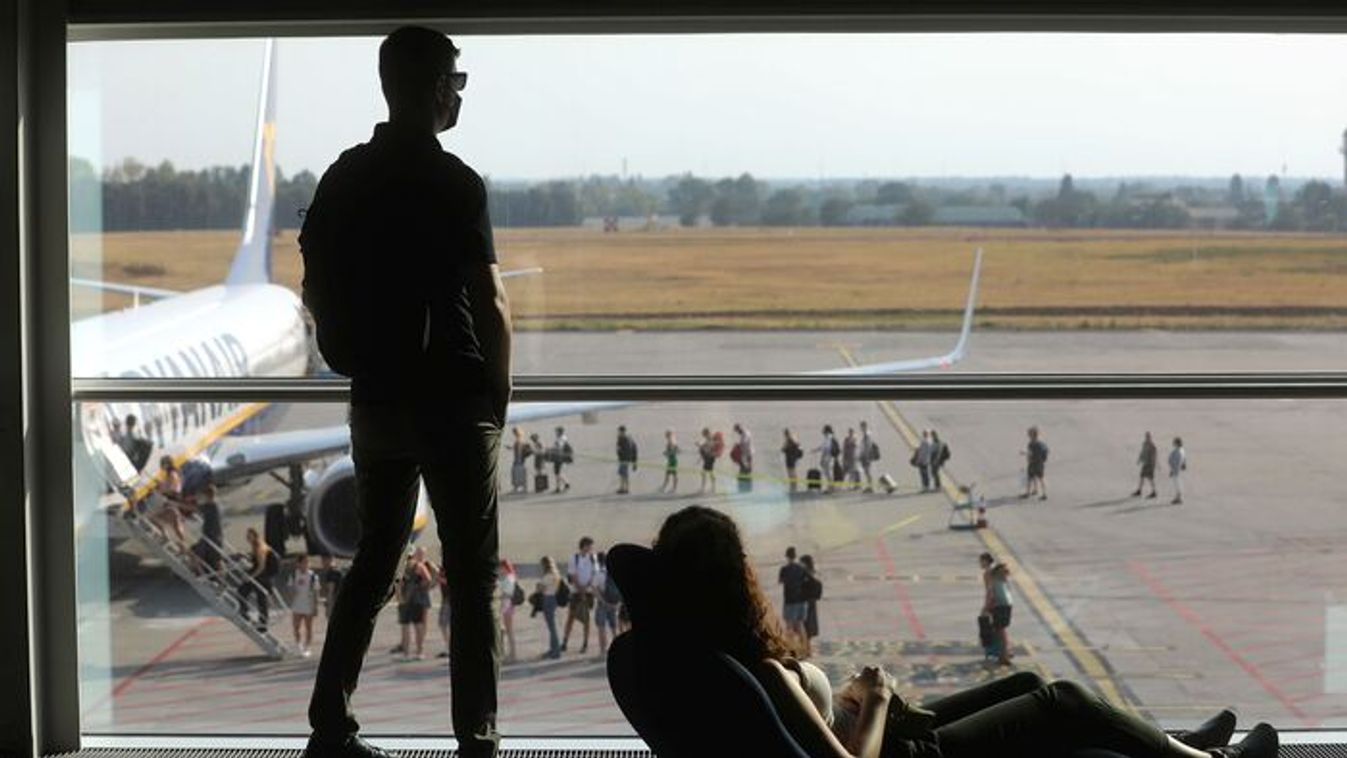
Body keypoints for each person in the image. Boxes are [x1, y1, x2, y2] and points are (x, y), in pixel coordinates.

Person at [644, 505, 1278, 758]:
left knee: (1025, 682)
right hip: (904, 756)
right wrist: (878, 698)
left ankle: (1173, 746)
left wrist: (849, 704)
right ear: (736, 580)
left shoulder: (697, 653)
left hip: (879, 733)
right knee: (1062, 699)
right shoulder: (763, 671)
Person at [300, 26, 511, 758]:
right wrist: (496, 398)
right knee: (472, 579)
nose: (458, 94)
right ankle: (476, 740)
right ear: (435, 88)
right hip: (451, 400)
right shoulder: (456, 184)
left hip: (375, 402)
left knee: (373, 563)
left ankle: (330, 727)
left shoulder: (343, 176)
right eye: (456, 80)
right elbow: (490, 303)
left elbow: (314, 286)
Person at [237, 527, 279, 633]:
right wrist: (246, 556)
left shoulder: (260, 547)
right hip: (261, 575)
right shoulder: (254, 546)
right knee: (243, 591)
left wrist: (250, 577)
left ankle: (262, 624)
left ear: (255, 536)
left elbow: (261, 566)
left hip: (263, 576)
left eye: (249, 536)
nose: (247, 538)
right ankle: (245, 613)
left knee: (260, 599)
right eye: (247, 536)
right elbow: (255, 561)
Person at [396, 547, 434, 661]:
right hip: (417, 599)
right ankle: (419, 652)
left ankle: (406, 654)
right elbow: (428, 579)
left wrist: (400, 597)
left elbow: (398, 584)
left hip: (404, 600)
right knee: (418, 626)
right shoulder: (419, 566)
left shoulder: (401, 567)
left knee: (405, 627)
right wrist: (421, 587)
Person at [563, 536, 597, 654]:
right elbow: (573, 576)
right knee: (571, 618)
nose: (591, 548)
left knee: (586, 619)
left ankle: (585, 643)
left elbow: (594, 574)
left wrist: (586, 587)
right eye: (589, 546)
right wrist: (580, 589)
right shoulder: (574, 558)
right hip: (576, 592)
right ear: (584, 546)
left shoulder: (593, 558)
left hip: (588, 592)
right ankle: (565, 642)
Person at [979, 552, 1013, 667]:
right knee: (1001, 629)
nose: (980, 564)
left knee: (999, 630)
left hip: (999, 603)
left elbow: (990, 592)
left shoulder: (988, 573)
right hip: (1007, 602)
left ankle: (1003, 657)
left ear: (986, 561)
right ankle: (1006, 652)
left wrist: (986, 607)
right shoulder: (997, 571)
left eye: (981, 561)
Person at [149, 455, 188, 548]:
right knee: (176, 525)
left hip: (172, 502)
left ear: (167, 464)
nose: (161, 466)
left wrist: (161, 488)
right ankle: (182, 546)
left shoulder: (172, 474)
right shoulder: (173, 473)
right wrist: (161, 485)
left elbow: (173, 489)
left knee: (154, 518)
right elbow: (171, 486)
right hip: (173, 501)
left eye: (162, 464)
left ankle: (166, 537)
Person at [189, 483, 224, 576]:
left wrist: (175, 503)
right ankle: (218, 577)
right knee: (216, 558)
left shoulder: (211, 505)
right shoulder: (216, 505)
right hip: (215, 535)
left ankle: (201, 574)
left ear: (207, 495)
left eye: (203, 495)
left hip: (210, 536)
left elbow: (194, 508)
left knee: (195, 553)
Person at [290, 554, 320, 657]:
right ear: (298, 564)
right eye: (304, 562)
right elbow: (290, 588)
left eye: (307, 562)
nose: (306, 564)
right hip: (297, 605)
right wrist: (292, 591)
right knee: (296, 627)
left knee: (308, 628)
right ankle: (298, 646)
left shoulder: (313, 576)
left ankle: (307, 648)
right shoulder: (294, 574)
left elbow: (316, 592)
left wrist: (315, 606)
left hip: (308, 605)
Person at [778, 546, 809, 650]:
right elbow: (808, 580)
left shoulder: (784, 569)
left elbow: (780, 581)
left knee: (789, 626)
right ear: (795, 556)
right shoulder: (802, 568)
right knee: (800, 625)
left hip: (790, 601)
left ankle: (791, 649)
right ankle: (805, 649)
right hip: (801, 601)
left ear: (787, 557)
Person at [593, 550, 620, 656]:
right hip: (614, 603)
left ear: (598, 561)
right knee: (614, 628)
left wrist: (603, 601)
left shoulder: (599, 573)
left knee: (601, 627)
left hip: (603, 604)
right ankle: (618, 649)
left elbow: (595, 589)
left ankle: (603, 651)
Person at [535, 555, 562, 659]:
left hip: (548, 599)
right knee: (552, 626)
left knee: (552, 627)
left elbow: (540, 589)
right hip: (553, 598)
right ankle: (553, 649)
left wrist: (538, 585)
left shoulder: (547, 576)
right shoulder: (556, 574)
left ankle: (555, 651)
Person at [800, 554, 823, 658]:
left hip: (806, 603)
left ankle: (806, 650)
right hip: (810, 602)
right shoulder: (809, 573)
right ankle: (807, 650)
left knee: (805, 626)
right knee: (807, 627)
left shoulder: (805, 575)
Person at [498, 559, 519, 663]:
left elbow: (507, 593)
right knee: (505, 630)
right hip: (505, 605)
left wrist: (498, 595)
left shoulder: (509, 578)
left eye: (501, 568)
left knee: (509, 630)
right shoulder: (506, 577)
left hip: (507, 605)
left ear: (505, 567)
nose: (500, 570)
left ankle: (513, 655)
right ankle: (509, 654)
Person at [1021, 426, 1049, 501]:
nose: (1028, 436)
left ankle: (1028, 493)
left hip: (1033, 463)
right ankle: (1042, 493)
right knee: (1039, 478)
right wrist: (1043, 460)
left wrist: (1024, 454)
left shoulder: (1031, 444)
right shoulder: (1041, 444)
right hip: (1040, 464)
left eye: (1029, 434)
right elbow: (1046, 451)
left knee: (1031, 478)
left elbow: (1030, 454)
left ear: (1032, 435)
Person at [1133, 431, 1159, 499]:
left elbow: (1154, 457)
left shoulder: (1152, 446)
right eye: (1146, 437)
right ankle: (1139, 490)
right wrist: (1139, 459)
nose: (1147, 438)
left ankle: (1154, 492)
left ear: (1150, 437)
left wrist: (1153, 465)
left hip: (1150, 464)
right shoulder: (1144, 444)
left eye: (1148, 437)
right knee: (1142, 477)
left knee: (1150, 478)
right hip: (1145, 463)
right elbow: (1142, 452)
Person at [318, 554, 345, 620]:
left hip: (334, 601)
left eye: (324, 560)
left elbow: (331, 590)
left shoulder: (332, 572)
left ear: (329, 560)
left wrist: (328, 604)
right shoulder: (336, 570)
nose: (323, 562)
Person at [816, 425, 839, 493]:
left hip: (828, 458)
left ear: (827, 431)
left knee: (828, 473)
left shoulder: (829, 438)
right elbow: (823, 446)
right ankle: (830, 487)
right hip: (830, 458)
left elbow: (826, 448)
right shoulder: (830, 437)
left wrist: (823, 458)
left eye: (824, 431)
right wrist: (816, 450)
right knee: (828, 472)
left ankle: (831, 488)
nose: (823, 432)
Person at [732, 422, 754, 492]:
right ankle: (743, 486)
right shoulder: (744, 433)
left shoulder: (745, 434)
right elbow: (743, 444)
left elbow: (744, 442)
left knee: (747, 469)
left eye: (737, 431)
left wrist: (737, 445)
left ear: (739, 428)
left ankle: (747, 487)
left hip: (748, 453)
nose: (737, 433)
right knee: (744, 469)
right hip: (745, 454)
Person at [616, 425, 638, 495]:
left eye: (619, 431)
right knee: (622, 474)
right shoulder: (624, 438)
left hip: (624, 459)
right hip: (623, 459)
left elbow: (628, 450)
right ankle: (622, 487)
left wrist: (634, 462)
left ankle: (626, 489)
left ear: (622, 432)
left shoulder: (625, 439)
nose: (618, 433)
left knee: (624, 474)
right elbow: (634, 448)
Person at [858, 421, 878, 493]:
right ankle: (869, 486)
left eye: (862, 427)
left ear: (865, 426)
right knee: (867, 472)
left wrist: (864, 456)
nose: (861, 428)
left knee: (867, 471)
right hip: (865, 456)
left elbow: (867, 447)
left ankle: (870, 487)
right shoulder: (866, 434)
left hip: (866, 456)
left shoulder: (867, 435)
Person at [510, 426, 531, 494]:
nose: (513, 434)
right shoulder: (520, 439)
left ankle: (518, 488)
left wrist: (518, 459)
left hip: (518, 459)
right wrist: (511, 448)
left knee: (517, 472)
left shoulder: (519, 439)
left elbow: (519, 450)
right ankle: (521, 487)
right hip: (520, 459)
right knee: (519, 472)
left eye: (514, 432)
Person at [782, 428, 804, 493]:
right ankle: (793, 487)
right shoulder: (791, 439)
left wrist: (785, 447)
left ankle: (793, 487)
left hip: (790, 459)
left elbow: (783, 449)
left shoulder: (789, 440)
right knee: (792, 472)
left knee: (791, 473)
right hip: (792, 458)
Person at [552, 426, 573, 493]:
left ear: (559, 432)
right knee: (558, 473)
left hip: (559, 457)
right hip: (559, 457)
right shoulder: (562, 438)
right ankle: (565, 484)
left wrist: (552, 449)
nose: (555, 432)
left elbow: (559, 448)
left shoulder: (561, 438)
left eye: (556, 431)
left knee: (557, 473)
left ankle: (560, 487)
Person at [698, 427, 718, 494]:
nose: (702, 435)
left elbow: (708, 449)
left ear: (706, 433)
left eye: (703, 433)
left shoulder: (710, 438)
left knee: (706, 472)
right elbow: (706, 446)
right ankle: (711, 487)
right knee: (708, 472)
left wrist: (700, 446)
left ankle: (708, 488)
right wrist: (701, 446)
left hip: (709, 458)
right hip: (709, 458)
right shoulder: (709, 438)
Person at [659, 429, 680, 493]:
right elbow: (677, 450)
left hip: (672, 460)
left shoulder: (671, 441)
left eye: (666, 434)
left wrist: (666, 453)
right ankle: (665, 487)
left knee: (673, 474)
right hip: (671, 460)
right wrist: (667, 452)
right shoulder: (673, 441)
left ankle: (673, 488)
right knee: (668, 474)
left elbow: (673, 451)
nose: (665, 436)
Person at [1170, 436, 1188, 505]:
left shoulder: (1178, 451)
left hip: (1176, 470)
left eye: (1174, 442)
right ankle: (1178, 497)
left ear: (1177, 443)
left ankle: (1179, 498)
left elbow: (1177, 462)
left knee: (1177, 484)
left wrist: (1173, 470)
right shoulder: (1181, 450)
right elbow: (1184, 460)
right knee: (1178, 484)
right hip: (1178, 470)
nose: (1173, 443)